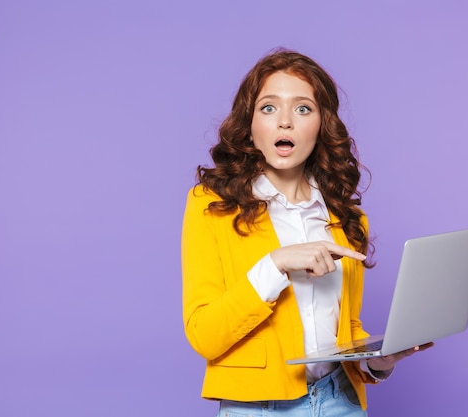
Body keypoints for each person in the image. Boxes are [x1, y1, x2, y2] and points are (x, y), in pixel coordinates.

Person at [181, 48, 432, 416]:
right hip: (257, 408)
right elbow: (204, 334)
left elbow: (346, 330)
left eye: (302, 109)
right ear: (249, 126)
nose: (285, 122)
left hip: (339, 400)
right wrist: (276, 264)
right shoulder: (212, 205)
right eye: (268, 108)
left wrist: (379, 362)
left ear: (321, 125)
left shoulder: (348, 218)